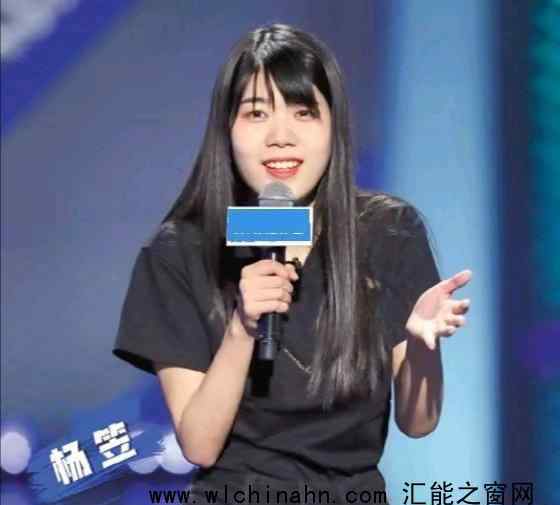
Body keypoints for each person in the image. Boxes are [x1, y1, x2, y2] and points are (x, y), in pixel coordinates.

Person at [113, 23, 472, 505]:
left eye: (304, 112)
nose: (281, 137)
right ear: (227, 128)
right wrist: (243, 328)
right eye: (257, 113)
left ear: (333, 126)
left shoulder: (387, 233)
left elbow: (419, 423)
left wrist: (423, 348)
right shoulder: (181, 252)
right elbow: (199, 445)